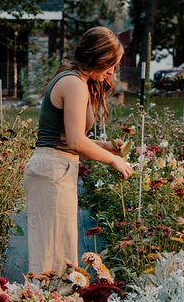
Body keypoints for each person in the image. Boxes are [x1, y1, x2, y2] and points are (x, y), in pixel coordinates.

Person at [24, 27, 134, 274]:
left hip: (54, 168)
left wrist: (105, 147)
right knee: (52, 258)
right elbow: (75, 141)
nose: (112, 71)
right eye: (111, 64)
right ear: (98, 57)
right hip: (52, 170)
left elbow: (70, 138)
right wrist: (113, 161)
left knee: (58, 252)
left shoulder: (75, 79)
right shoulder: (74, 83)